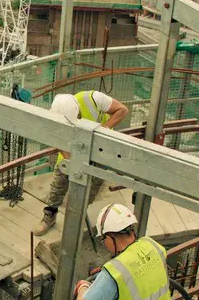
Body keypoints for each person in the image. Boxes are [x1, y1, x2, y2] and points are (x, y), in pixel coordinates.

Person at [33, 91, 129, 236]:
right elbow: (56, 139)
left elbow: (123, 110)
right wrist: (70, 161)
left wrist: (103, 130)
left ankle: (77, 218)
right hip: (71, 152)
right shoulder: (57, 114)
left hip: (98, 152)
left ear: (78, 110)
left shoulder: (93, 99)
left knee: (91, 187)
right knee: (59, 185)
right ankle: (49, 216)